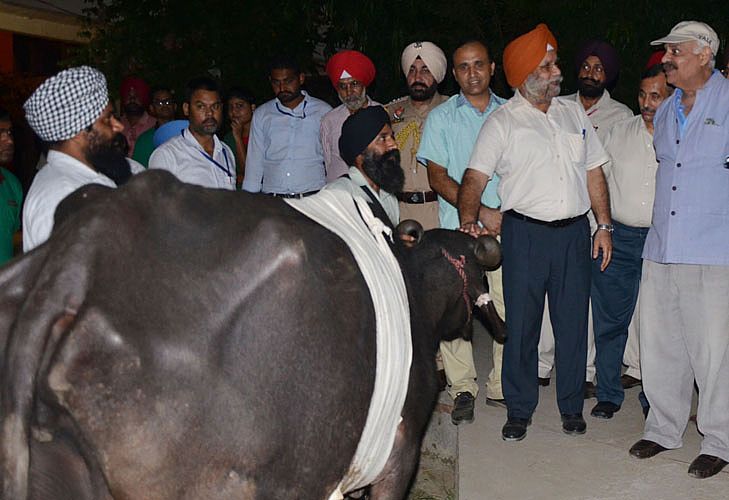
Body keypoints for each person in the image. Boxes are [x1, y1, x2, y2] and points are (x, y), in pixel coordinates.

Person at [458, 24, 612, 441]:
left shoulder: (572, 112)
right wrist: (469, 220)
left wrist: (603, 226)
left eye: (554, 61)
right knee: (522, 325)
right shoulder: (502, 122)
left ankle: (570, 407)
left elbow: (594, 170)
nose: (557, 70)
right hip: (524, 235)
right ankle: (520, 409)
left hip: (573, 235)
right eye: (547, 65)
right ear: (526, 75)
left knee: (572, 324)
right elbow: (473, 178)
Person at [628, 20, 729, 480]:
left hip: (713, 249)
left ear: (705, 55)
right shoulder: (667, 111)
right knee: (662, 345)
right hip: (662, 246)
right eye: (665, 52)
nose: (666, 60)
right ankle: (664, 427)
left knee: (714, 353)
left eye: (676, 52)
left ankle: (720, 439)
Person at [418, 39, 507, 424]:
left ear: (491, 68)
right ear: (454, 74)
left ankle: (503, 385)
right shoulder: (441, 118)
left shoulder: (512, 113)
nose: (472, 73)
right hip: (456, 228)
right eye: (463, 67)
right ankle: (463, 388)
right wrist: (478, 210)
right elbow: (437, 177)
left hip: (505, 225)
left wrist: (500, 213)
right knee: (457, 312)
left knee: (505, 304)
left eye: (478, 65)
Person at [539, 39, 634, 397]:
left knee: (591, 297)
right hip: (557, 212)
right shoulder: (555, 106)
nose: (591, 73)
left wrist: (608, 222)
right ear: (577, 70)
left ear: (608, 76)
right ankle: (542, 363)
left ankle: (589, 371)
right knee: (549, 294)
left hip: (596, 220)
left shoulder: (621, 116)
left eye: (599, 68)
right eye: (586, 66)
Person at [589, 58, 672, 420]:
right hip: (619, 238)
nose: (647, 103)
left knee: (658, 328)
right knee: (610, 322)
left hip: (662, 241)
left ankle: (654, 401)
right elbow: (596, 180)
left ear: (671, 97)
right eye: (642, 95)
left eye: (656, 96)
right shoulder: (617, 133)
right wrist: (601, 226)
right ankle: (608, 393)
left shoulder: (680, 136)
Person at [22, 66, 126, 251]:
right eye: (107, 119)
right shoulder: (62, 194)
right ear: (78, 131)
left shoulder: (81, 179)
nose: (118, 126)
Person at [242, 56, 331, 197]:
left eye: (288, 81)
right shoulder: (262, 114)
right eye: (276, 83)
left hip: (313, 198)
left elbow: (332, 159)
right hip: (274, 200)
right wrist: (248, 201)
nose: (282, 88)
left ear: (301, 79)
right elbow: (254, 163)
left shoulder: (323, 111)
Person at [384, 41, 448, 230]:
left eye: (425, 70)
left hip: (441, 210)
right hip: (401, 211)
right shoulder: (391, 112)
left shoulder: (451, 110)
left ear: (438, 74)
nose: (417, 77)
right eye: (412, 70)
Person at [149, 77, 235, 190]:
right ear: (186, 109)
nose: (209, 113)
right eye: (201, 106)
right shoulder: (167, 155)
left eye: (215, 106)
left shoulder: (226, 152)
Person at [327, 105, 402, 227]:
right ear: (360, 151)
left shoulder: (388, 195)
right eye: (383, 138)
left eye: (392, 137)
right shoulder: (339, 194)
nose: (393, 145)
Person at [320, 50, 380, 183]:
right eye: (343, 86)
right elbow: (328, 163)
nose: (349, 92)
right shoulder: (329, 120)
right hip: (340, 195)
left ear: (364, 84)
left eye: (354, 84)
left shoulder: (381, 114)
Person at [131, 86, 177, 167]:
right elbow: (139, 171)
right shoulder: (144, 140)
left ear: (175, 106)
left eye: (168, 102)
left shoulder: (185, 134)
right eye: (159, 103)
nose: (164, 106)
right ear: (152, 108)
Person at [0, 107, 22, 265]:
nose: (9, 141)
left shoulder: (12, 184)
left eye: (9, 132)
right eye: (0, 133)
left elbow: (12, 237)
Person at [222, 87, 256, 188]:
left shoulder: (262, 135)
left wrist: (238, 138)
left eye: (239, 106)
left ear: (252, 107)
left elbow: (249, 174)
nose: (234, 111)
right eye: (230, 107)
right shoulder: (228, 138)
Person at [119, 76, 156, 155]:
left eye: (136, 96)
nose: (132, 100)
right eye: (128, 96)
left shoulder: (154, 125)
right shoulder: (116, 125)